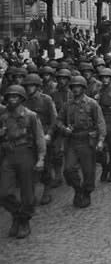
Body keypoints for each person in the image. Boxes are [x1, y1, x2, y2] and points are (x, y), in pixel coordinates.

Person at [0, 85, 46, 238]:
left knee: (27, 192)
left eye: (15, 96)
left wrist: (41, 158)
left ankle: (24, 221)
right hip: (8, 154)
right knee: (4, 193)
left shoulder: (30, 115)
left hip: (25, 153)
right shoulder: (3, 116)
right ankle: (18, 214)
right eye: (9, 97)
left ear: (21, 98)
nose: (12, 99)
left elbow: (39, 137)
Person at [57, 75, 106, 208]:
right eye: (74, 87)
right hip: (72, 140)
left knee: (88, 171)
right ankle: (78, 189)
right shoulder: (67, 105)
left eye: (79, 86)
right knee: (68, 169)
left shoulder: (92, 104)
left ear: (84, 88)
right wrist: (64, 128)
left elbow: (100, 122)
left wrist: (101, 140)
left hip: (87, 140)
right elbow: (59, 120)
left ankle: (87, 192)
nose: (76, 89)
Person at [22, 73, 57, 205]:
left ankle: (47, 189)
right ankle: (30, 194)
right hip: (29, 137)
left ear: (37, 86)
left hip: (44, 135)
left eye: (32, 85)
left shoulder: (46, 99)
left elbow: (54, 118)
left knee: (46, 165)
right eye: (27, 86)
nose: (29, 88)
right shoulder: (23, 100)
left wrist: (49, 134)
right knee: (29, 166)